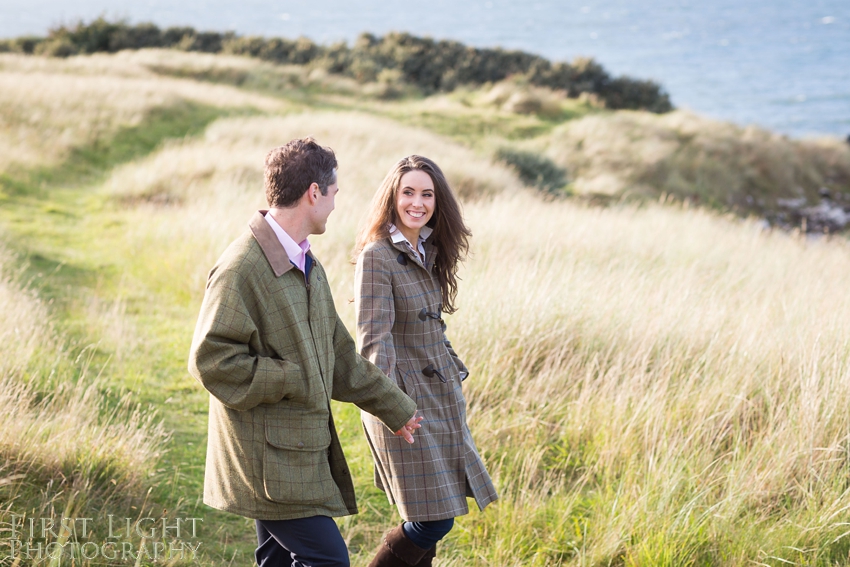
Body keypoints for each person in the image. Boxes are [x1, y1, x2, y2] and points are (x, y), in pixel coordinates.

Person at [188, 138, 422, 567]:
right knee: (330, 560)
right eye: (333, 193)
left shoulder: (307, 263)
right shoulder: (242, 266)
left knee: (277, 562)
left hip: (296, 452)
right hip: (268, 462)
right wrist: (292, 376)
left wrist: (396, 407)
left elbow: (340, 357)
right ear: (314, 192)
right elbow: (211, 361)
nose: (335, 204)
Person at [353, 156, 498, 567]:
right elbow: (373, 340)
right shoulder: (377, 256)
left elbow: (432, 326)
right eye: (408, 193)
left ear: (439, 201)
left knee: (428, 515)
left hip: (440, 399)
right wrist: (391, 407)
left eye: (427, 194)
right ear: (393, 198)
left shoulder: (426, 249)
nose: (418, 202)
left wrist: (453, 368)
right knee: (433, 521)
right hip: (404, 404)